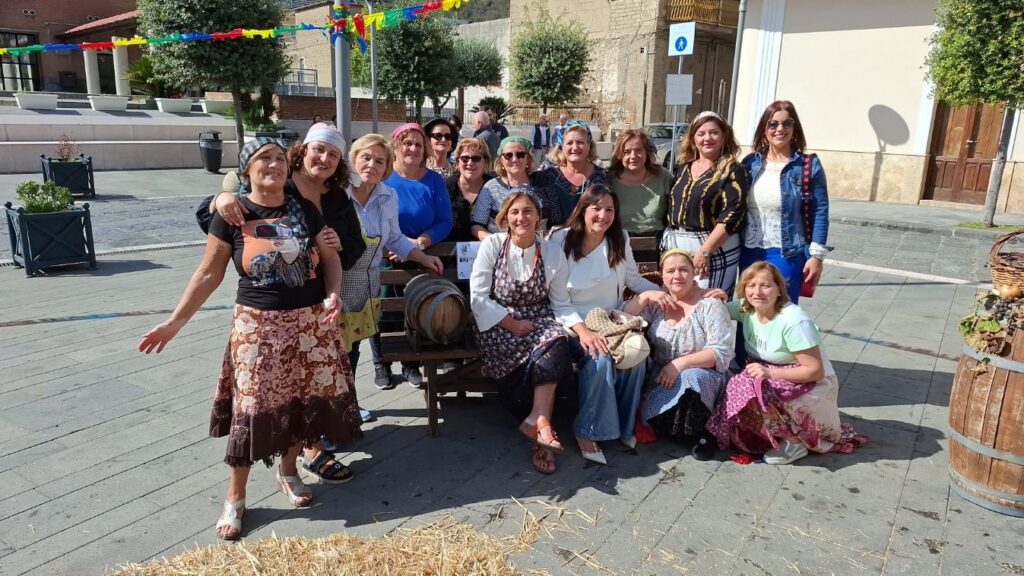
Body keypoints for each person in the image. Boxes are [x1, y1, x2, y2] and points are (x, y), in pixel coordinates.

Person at [139, 138, 362, 540]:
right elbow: (209, 273)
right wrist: (175, 322)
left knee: (301, 400)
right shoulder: (232, 212)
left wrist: (333, 293)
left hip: (310, 322)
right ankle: (236, 497)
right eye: (263, 158)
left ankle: (289, 471)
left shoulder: (304, 210)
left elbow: (330, 258)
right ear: (246, 170)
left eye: (279, 157)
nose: (273, 164)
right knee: (252, 409)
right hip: (258, 325)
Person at [706, 262, 868, 464]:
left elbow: (815, 371)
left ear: (779, 289)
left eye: (765, 285)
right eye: (751, 285)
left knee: (747, 383)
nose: (757, 292)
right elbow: (712, 311)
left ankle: (795, 442)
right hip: (775, 376)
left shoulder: (794, 321)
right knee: (743, 383)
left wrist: (769, 372)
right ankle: (768, 435)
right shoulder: (746, 308)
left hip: (814, 386)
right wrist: (715, 298)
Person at [549, 185, 662, 464]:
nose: (603, 215)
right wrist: (583, 332)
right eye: (596, 208)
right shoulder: (560, 241)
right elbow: (557, 300)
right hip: (571, 323)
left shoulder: (619, 239)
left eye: (609, 209)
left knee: (636, 357)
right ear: (583, 210)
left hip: (611, 322)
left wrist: (670, 294)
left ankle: (622, 428)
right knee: (598, 358)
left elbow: (634, 280)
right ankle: (587, 431)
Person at [470, 189, 576, 475]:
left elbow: (560, 304)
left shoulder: (552, 252)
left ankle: (539, 423)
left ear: (538, 216)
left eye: (528, 211)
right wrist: (512, 324)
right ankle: (540, 425)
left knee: (558, 340)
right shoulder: (493, 245)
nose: (521, 217)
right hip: (497, 324)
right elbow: (478, 298)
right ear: (505, 217)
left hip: (539, 321)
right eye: (515, 212)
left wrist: (582, 328)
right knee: (553, 345)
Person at [345, 134, 444, 384]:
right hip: (336, 286)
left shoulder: (388, 195)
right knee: (335, 351)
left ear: (387, 166)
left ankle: (348, 407)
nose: (372, 165)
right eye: (366, 157)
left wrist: (423, 257)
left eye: (379, 160)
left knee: (352, 349)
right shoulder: (337, 193)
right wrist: (227, 195)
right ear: (353, 159)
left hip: (365, 286)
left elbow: (396, 238)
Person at [623, 249, 734, 460]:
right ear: (662, 275)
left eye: (684, 270)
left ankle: (703, 434)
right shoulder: (658, 303)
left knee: (691, 378)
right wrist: (646, 295)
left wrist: (680, 364)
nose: (677, 276)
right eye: (670, 271)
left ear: (694, 273)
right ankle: (678, 432)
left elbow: (721, 352)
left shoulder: (709, 304)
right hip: (662, 377)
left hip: (705, 375)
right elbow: (622, 316)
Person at [374, 123, 453, 388]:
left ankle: (409, 365)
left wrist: (419, 243)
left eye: (419, 145)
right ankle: (381, 364)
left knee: (412, 311)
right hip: (384, 256)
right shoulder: (382, 178)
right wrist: (392, 246)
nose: (413, 149)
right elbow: (370, 217)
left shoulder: (434, 181)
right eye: (408, 143)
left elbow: (444, 221)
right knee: (382, 313)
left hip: (420, 256)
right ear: (395, 147)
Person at [741, 100, 830, 303]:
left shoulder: (808, 166)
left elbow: (820, 212)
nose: (780, 129)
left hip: (787, 254)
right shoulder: (750, 163)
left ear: (794, 128)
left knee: (782, 314)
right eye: (773, 124)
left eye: (786, 123)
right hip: (749, 252)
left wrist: (816, 257)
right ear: (764, 129)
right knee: (749, 313)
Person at [663, 111, 748, 294]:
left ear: (724, 136)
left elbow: (733, 213)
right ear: (693, 138)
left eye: (714, 133)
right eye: (701, 134)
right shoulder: (684, 167)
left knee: (707, 303)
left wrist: (705, 251)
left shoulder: (732, 170)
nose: (707, 138)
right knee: (680, 303)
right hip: (678, 244)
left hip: (712, 246)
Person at [470, 136, 562, 238]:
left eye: (520, 155)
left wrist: (545, 243)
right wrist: (496, 244)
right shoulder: (491, 188)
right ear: (501, 162)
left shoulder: (544, 184)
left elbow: (557, 222)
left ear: (528, 159)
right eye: (508, 155)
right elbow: (477, 226)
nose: (514, 159)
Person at [533, 120, 611, 224]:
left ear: (589, 145)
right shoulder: (548, 175)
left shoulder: (601, 178)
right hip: (553, 238)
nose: (575, 147)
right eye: (569, 143)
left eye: (580, 142)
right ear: (562, 146)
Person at [609, 129, 671, 236]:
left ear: (647, 152)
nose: (633, 156)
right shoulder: (609, 180)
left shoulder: (663, 176)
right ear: (619, 155)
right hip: (619, 242)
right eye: (627, 152)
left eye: (638, 150)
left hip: (656, 242)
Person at [447, 137, 494, 242]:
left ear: (485, 162)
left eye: (476, 158)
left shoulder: (494, 187)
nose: (470, 163)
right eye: (465, 158)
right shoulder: (446, 187)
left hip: (488, 251)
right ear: (457, 161)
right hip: (450, 251)